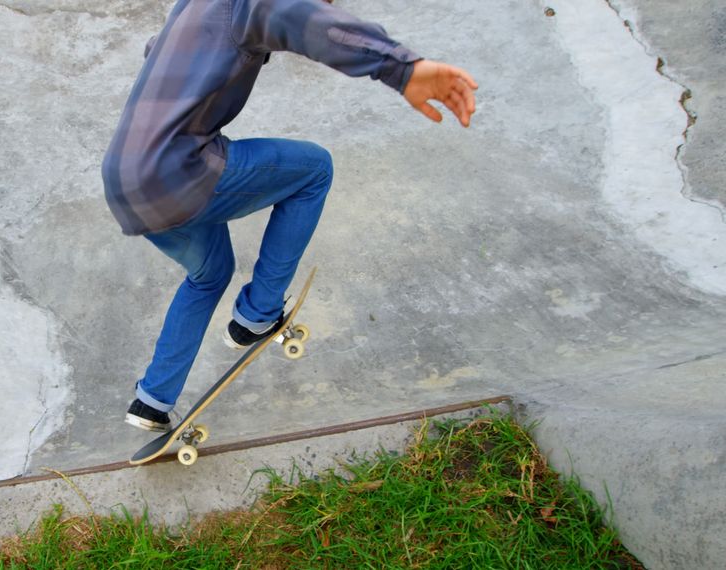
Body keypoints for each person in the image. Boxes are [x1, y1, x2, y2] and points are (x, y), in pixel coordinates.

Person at [102, 0, 478, 432]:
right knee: (314, 169)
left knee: (208, 275)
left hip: (124, 181)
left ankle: (152, 399)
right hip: (178, 171)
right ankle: (258, 314)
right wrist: (402, 69)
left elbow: (157, 49)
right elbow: (306, 22)